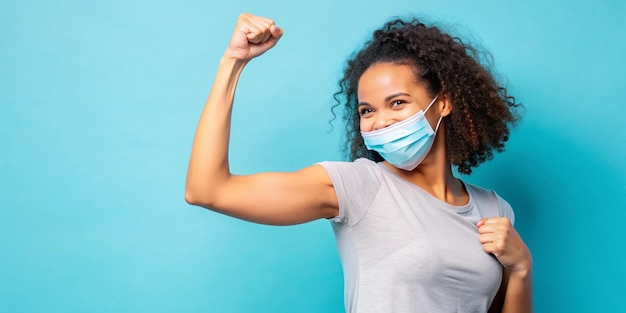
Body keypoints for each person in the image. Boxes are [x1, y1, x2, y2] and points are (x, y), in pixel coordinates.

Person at [185, 12, 532, 313]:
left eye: (397, 103)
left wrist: (520, 269)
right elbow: (208, 190)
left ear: (443, 103)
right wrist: (233, 62)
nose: (380, 122)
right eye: (367, 110)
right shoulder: (360, 187)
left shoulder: (493, 210)